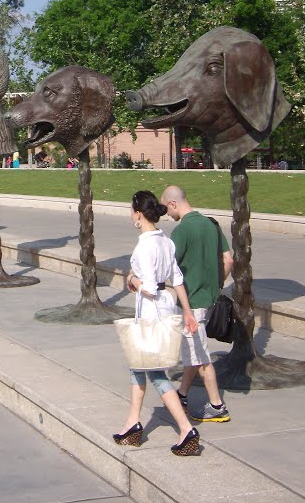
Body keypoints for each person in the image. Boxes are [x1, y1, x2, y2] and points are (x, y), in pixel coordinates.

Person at [114, 190, 201, 456]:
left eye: (132, 211)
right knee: (137, 367)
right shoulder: (165, 241)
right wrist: (187, 311)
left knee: (153, 372)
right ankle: (132, 424)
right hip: (166, 306)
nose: (131, 215)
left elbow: (149, 287)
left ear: (138, 214)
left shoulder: (144, 245)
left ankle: (186, 429)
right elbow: (176, 278)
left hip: (152, 312)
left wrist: (133, 281)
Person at [161, 185, 234, 424]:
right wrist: (217, 283)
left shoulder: (181, 231)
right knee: (193, 350)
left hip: (191, 303)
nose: (167, 215)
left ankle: (216, 406)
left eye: (167, 209)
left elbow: (168, 268)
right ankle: (182, 393)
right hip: (209, 298)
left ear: (173, 203)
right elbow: (228, 259)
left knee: (201, 356)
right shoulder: (211, 224)